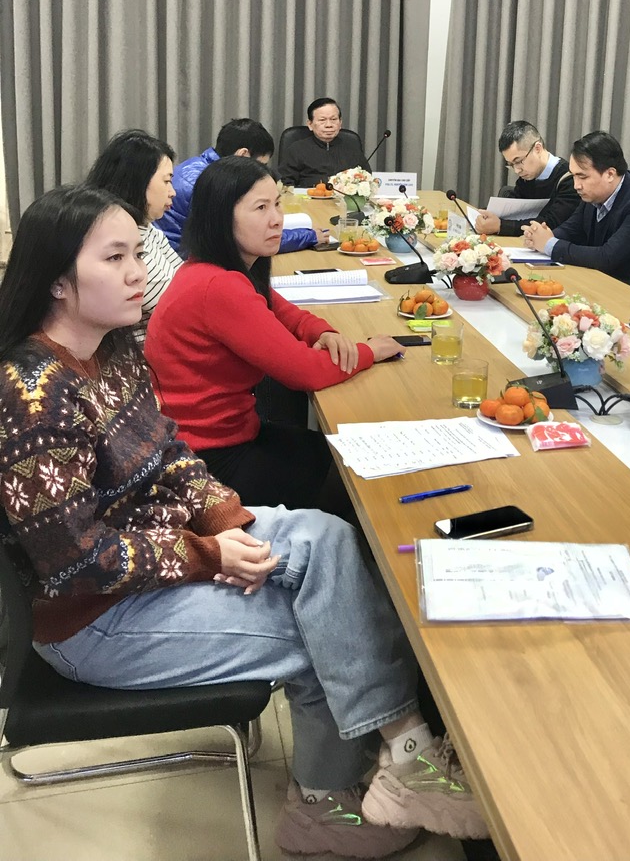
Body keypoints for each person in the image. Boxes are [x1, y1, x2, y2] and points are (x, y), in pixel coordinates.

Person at [0, 185, 488, 856]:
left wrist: (225, 520)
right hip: (95, 619)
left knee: (331, 538)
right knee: (324, 626)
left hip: (159, 558)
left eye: (137, 252)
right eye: (114, 258)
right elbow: (78, 560)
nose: (139, 272)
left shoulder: (114, 349)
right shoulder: (34, 398)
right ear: (58, 280)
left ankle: (407, 760)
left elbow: (170, 451)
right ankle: (327, 807)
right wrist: (206, 555)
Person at [145, 156, 403, 510]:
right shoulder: (218, 285)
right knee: (355, 480)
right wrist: (370, 351)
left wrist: (322, 331)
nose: (277, 218)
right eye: (261, 208)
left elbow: (281, 311)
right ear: (221, 217)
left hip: (226, 434)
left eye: (277, 204)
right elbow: (304, 371)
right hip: (204, 460)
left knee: (334, 454)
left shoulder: (218, 267)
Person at [523, 130, 630, 307]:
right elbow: (572, 229)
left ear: (610, 174)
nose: (576, 185)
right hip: (610, 288)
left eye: (582, 177)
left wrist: (549, 244)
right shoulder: (594, 195)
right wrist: (542, 235)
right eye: (573, 176)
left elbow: (606, 258)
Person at [156, 118, 318, 254]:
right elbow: (239, 241)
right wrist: (308, 236)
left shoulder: (198, 164)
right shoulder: (213, 184)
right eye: (260, 165)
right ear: (243, 154)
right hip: (180, 259)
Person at [86, 129, 182, 346]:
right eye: (166, 181)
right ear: (138, 181)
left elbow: (184, 278)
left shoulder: (148, 228)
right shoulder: (116, 236)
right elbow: (178, 308)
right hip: (138, 352)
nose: (172, 192)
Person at [474, 120, 579, 237]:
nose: (517, 170)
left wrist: (501, 226)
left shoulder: (570, 178)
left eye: (519, 161)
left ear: (537, 148)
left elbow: (551, 223)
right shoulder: (528, 176)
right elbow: (514, 207)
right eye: (511, 164)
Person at [279, 97, 370, 187]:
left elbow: (367, 179)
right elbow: (285, 183)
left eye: (333, 119)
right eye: (322, 120)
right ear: (310, 124)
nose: (329, 125)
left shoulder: (352, 148)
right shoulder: (296, 149)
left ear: (340, 123)